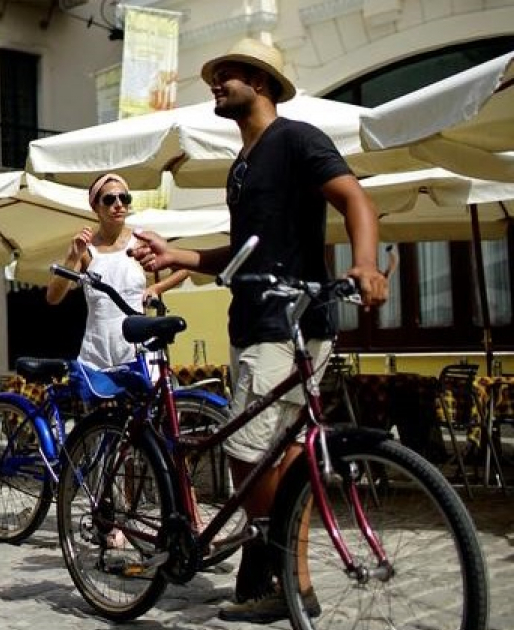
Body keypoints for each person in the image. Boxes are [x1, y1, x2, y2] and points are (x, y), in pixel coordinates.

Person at [128, 38, 388, 624]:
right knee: (275, 461)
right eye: (215, 76)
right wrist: (181, 256)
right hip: (258, 322)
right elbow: (243, 253)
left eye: (230, 74)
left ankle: (284, 580)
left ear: (263, 83)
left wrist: (366, 264)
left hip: (293, 325)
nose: (216, 83)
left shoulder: (296, 139)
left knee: (255, 461)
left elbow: (355, 200)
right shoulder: (241, 167)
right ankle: (275, 575)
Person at [45, 172, 189, 370]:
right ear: (95, 206)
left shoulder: (142, 240)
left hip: (137, 346)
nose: (119, 204)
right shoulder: (86, 250)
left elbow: (183, 268)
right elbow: (53, 297)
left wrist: (156, 288)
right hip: (97, 351)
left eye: (125, 198)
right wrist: (72, 258)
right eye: (110, 199)